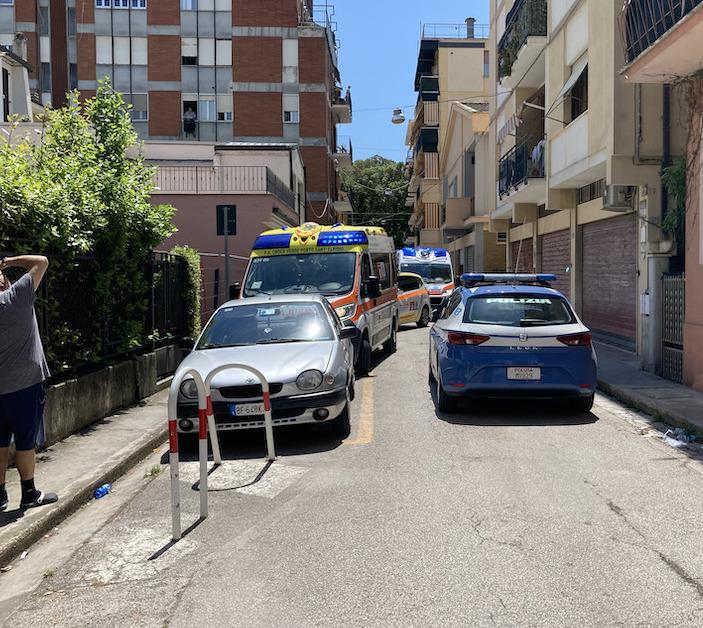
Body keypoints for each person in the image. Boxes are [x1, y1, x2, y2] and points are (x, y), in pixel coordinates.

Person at [0, 254, 58, 510]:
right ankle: (29, 492)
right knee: (26, 441)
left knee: (0, 442)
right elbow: (42, 261)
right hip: (24, 386)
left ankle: (0, 496)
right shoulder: (16, 297)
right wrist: (8, 260)